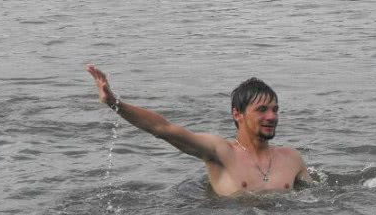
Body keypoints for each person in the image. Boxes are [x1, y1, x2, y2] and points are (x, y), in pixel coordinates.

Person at [87, 65, 312, 196]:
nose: (272, 117)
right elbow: (163, 129)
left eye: (275, 110)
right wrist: (114, 103)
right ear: (237, 114)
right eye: (262, 110)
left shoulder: (292, 158)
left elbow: (318, 198)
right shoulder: (220, 152)